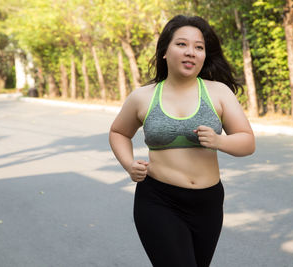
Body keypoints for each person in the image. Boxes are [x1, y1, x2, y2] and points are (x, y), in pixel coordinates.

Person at [109, 14, 255, 267]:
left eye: (199, 47)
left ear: (204, 56)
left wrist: (220, 141)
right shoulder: (143, 97)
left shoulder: (218, 92)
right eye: (182, 44)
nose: (191, 52)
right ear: (165, 51)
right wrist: (128, 164)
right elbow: (119, 132)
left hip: (208, 203)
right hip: (158, 200)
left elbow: (247, 143)